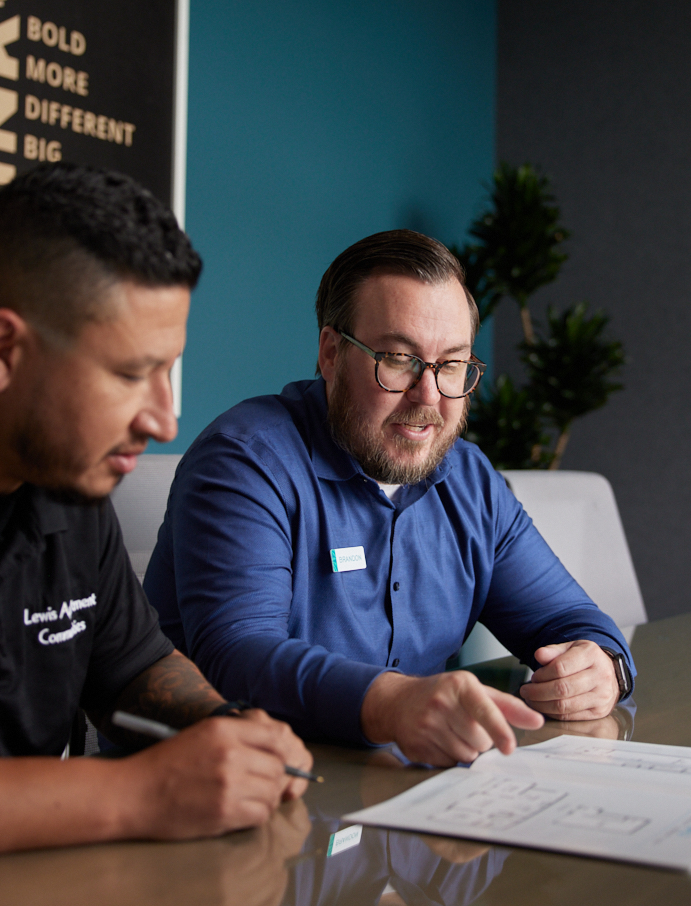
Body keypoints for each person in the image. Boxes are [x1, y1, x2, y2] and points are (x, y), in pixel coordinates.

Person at [144, 229, 635, 767]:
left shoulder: (469, 478)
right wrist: (390, 702)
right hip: (215, 796)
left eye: (451, 365)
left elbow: (575, 622)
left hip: (396, 797)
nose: (429, 396)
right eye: (399, 359)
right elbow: (234, 657)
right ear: (331, 353)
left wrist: (601, 667)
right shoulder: (244, 461)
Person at [0, 162, 312, 853]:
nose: (167, 420)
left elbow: (133, 669)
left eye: (168, 369)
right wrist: (142, 794)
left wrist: (227, 730)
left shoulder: (71, 489)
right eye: (130, 373)